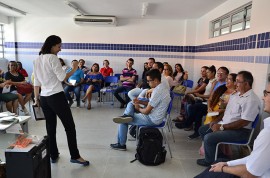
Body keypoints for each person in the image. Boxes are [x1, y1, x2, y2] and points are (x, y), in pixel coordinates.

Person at [195, 74, 270, 178]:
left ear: (246, 84)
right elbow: (226, 112)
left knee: (209, 137)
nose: (235, 83)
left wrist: (221, 127)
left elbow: (243, 122)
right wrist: (216, 121)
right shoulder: (236, 94)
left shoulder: (251, 99)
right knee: (204, 129)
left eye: (238, 81)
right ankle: (219, 156)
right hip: (226, 125)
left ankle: (210, 162)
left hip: (241, 132)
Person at [33, 35, 89, 166]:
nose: (60, 49)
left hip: (44, 97)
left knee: (50, 127)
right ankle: (75, 156)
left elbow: (36, 82)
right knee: (70, 127)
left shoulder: (37, 59)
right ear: (52, 46)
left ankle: (53, 154)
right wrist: (74, 68)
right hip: (56, 96)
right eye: (59, 46)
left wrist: (36, 99)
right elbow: (62, 77)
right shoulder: (52, 58)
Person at [110, 69, 171, 150]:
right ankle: (127, 115)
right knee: (132, 103)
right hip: (155, 115)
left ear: (156, 80)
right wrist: (139, 101)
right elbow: (153, 104)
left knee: (122, 121)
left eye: (149, 81)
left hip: (152, 119)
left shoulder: (157, 91)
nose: (148, 83)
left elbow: (146, 112)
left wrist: (138, 108)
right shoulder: (162, 88)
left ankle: (121, 144)